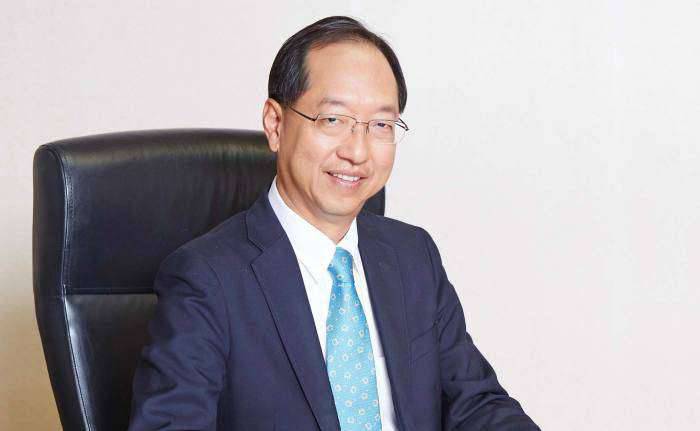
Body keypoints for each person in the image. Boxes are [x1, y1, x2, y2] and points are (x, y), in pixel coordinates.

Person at [128, 16, 539, 431]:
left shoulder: (413, 257)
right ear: (275, 124)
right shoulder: (206, 279)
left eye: (381, 125)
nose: (357, 152)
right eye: (333, 120)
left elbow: (477, 405)